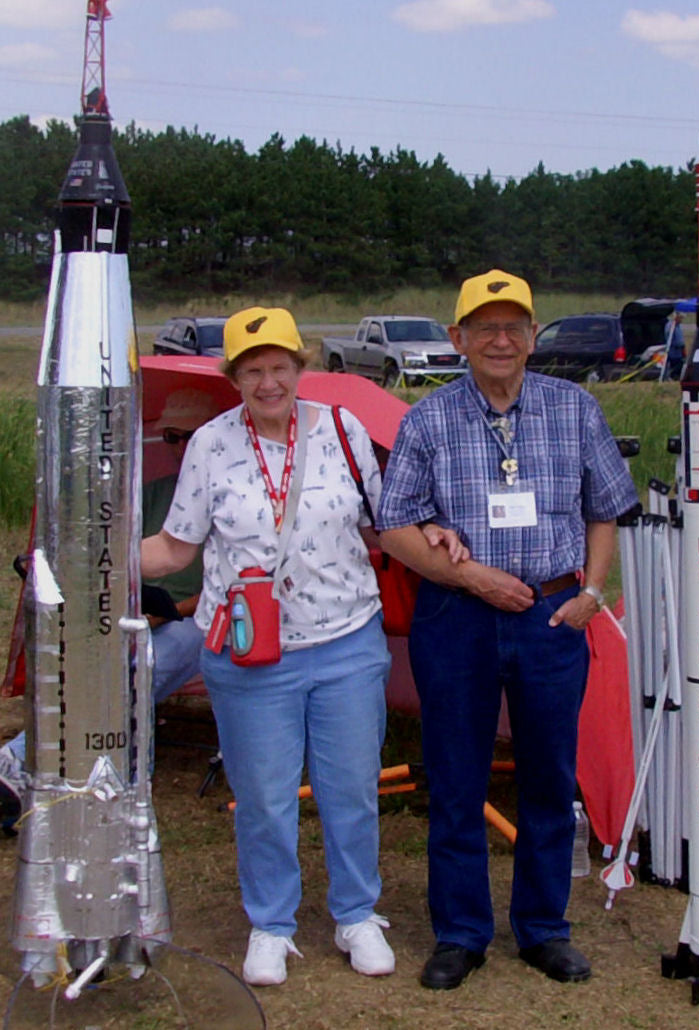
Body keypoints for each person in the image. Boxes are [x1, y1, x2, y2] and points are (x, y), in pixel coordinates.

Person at [140, 306, 460, 987]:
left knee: (350, 790)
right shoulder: (209, 445)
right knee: (263, 796)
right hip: (250, 654)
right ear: (233, 378)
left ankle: (355, 914)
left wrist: (438, 533)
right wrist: (96, 556)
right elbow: (174, 548)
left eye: (279, 367)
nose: (267, 382)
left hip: (346, 643)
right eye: (251, 370)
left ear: (300, 367)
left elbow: (391, 521)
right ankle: (271, 924)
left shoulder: (343, 431)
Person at [377, 269, 639, 990]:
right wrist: (465, 576)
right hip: (455, 617)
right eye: (484, 327)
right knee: (456, 779)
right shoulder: (426, 419)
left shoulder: (574, 407)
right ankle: (461, 933)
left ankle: (543, 929)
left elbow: (603, 507)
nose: (500, 339)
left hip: (552, 616)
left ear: (531, 336)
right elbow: (394, 525)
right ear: (457, 338)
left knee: (550, 777)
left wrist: (591, 590)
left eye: (513, 326)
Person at [0, 388, 216, 829]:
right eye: (172, 437)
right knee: (94, 661)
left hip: (200, 622)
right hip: (132, 613)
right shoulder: (149, 496)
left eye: (192, 437)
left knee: (137, 666)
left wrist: (164, 613)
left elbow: (227, 590)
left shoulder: (231, 496)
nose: (181, 447)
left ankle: (17, 764)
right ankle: (25, 777)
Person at [665, 311, 686, 380]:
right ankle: (671, 377)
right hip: (673, 352)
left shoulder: (678, 326)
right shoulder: (670, 326)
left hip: (679, 353)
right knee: (675, 367)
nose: (681, 320)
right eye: (680, 318)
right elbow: (678, 341)